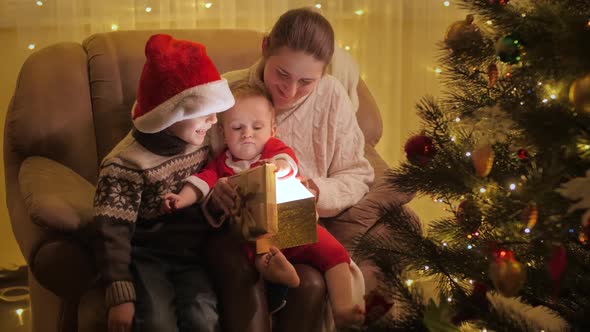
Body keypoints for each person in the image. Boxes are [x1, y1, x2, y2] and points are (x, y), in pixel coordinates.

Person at [204, 7, 375, 329]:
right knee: (241, 267)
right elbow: (177, 155)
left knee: (310, 285)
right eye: (282, 74)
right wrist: (214, 194)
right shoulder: (226, 93)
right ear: (266, 48)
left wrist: (317, 190)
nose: (290, 91)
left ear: (323, 74)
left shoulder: (332, 98)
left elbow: (357, 173)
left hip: (296, 226)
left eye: (306, 81)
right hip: (233, 231)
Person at [162, 80, 365, 327]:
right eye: (237, 128)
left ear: (272, 129)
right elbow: (201, 183)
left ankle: (343, 308)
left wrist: (277, 168)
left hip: (290, 222)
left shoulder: (273, 151)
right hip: (253, 233)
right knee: (253, 249)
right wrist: (181, 198)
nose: (247, 134)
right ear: (224, 132)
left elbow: (287, 160)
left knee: (332, 251)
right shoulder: (221, 164)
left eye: (257, 127)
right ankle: (276, 270)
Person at [89, 34, 235, 332]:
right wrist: (120, 296)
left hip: (192, 253)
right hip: (146, 255)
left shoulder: (200, 141)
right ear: (168, 115)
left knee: (204, 318)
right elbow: (111, 233)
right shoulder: (125, 163)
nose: (214, 121)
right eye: (204, 113)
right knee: (156, 322)